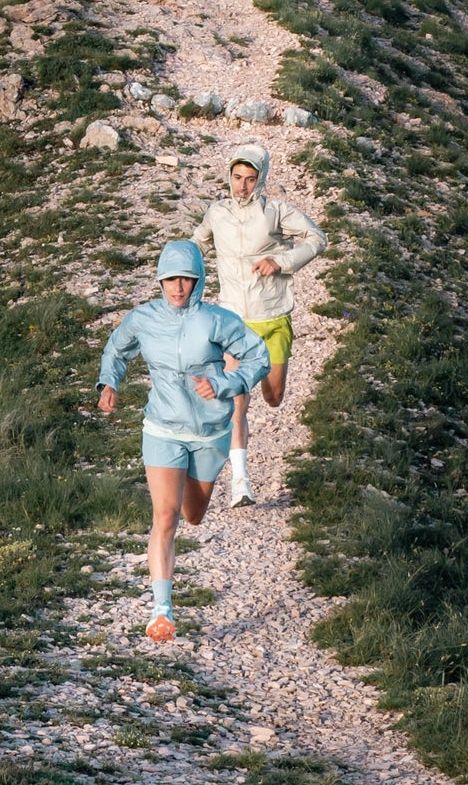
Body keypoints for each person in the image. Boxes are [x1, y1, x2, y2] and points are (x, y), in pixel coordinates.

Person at [97, 240, 269, 641]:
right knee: (166, 516)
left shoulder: (216, 320)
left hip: (210, 433)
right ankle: (161, 612)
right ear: (160, 280)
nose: (178, 287)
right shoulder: (143, 318)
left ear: (198, 281)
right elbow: (116, 349)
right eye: (171, 279)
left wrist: (225, 382)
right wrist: (109, 381)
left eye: (186, 279)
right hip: (162, 428)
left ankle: (203, 495)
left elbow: (258, 357)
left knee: (194, 514)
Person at [191, 142, 326, 507]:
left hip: (273, 318)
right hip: (234, 321)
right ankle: (240, 483)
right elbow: (194, 247)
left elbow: (318, 239)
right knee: (237, 403)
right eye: (237, 178)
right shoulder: (217, 214)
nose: (242, 186)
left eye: (250, 179)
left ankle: (272, 387)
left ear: (261, 179)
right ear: (229, 177)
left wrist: (281, 261)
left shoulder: (277, 211)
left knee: (273, 396)